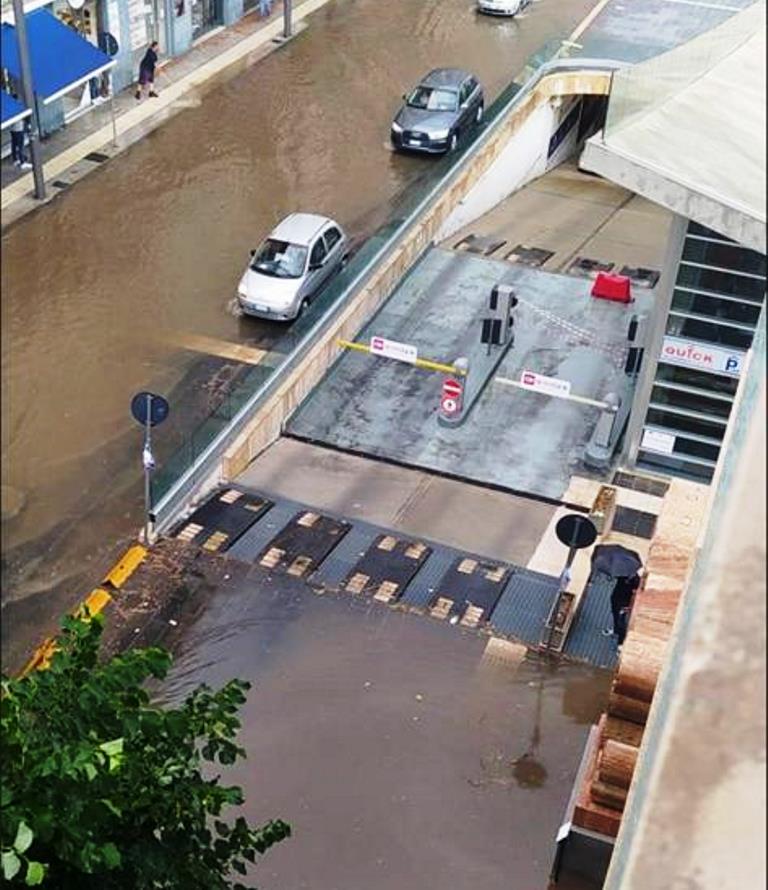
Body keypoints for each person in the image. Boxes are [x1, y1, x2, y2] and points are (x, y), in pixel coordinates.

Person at [608, 573, 640, 646]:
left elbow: (634, 593)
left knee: (621, 622)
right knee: (615, 616)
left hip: (624, 603)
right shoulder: (622, 574)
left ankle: (621, 642)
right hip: (615, 599)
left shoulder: (635, 580)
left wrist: (630, 606)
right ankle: (616, 630)